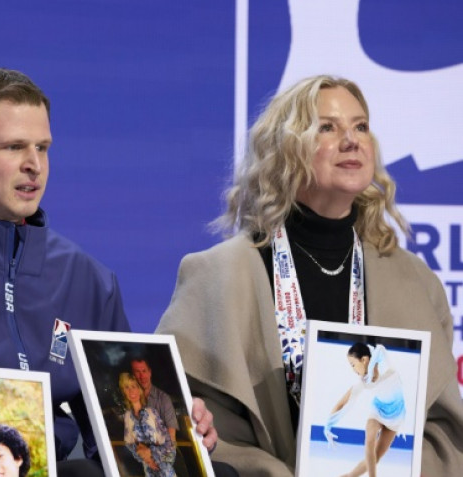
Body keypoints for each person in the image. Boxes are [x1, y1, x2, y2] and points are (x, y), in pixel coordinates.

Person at [157, 75, 463, 476]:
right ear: (287, 150)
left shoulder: (416, 282)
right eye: (327, 128)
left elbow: (446, 434)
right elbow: (188, 422)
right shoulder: (219, 275)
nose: (351, 140)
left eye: (360, 126)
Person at [0, 66, 219, 472]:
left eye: (42, 148)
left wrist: (176, 428)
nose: (34, 165)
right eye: (13, 147)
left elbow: (122, 425)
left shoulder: (87, 278)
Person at [324, 343, 405, 477]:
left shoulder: (385, 365)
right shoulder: (363, 381)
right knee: (370, 435)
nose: (353, 369)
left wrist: (373, 366)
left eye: (353, 364)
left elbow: (380, 349)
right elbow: (341, 403)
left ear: (364, 359)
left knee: (376, 457)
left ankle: (349, 476)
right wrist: (327, 426)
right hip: (378, 410)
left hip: (396, 415)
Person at [119, 373, 175, 477]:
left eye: (134, 386)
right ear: (124, 391)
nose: (131, 391)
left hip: (165, 468)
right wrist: (145, 458)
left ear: (139, 390)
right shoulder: (127, 416)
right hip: (148, 469)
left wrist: (151, 453)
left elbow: (168, 444)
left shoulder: (151, 412)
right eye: (127, 387)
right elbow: (129, 443)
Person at [130, 358, 177, 446]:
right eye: (137, 372)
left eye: (144, 371)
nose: (142, 376)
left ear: (150, 372)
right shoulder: (128, 398)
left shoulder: (163, 398)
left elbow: (171, 436)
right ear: (132, 375)